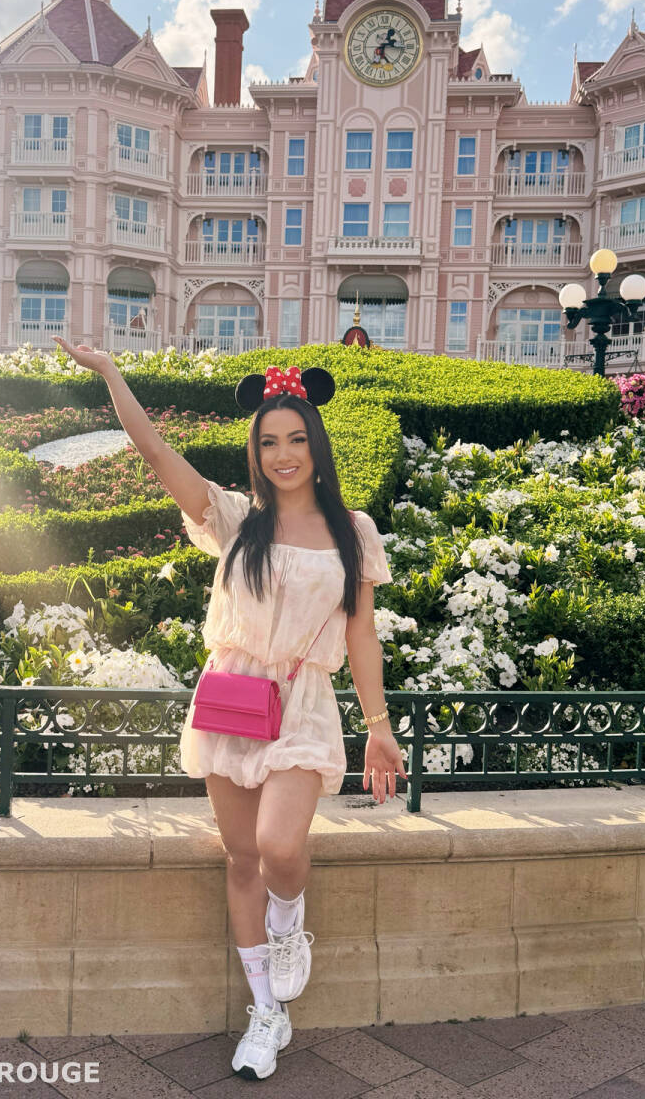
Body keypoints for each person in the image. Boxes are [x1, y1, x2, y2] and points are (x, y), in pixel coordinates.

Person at [52, 338, 407, 1081]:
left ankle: (290, 923)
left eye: (296, 439)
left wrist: (379, 728)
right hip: (231, 697)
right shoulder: (236, 519)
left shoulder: (353, 531)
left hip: (303, 704)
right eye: (269, 442)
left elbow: (361, 634)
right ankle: (266, 1012)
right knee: (242, 858)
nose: (283, 455)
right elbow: (156, 455)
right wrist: (111, 372)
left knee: (279, 845)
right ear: (256, 451)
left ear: (317, 445)